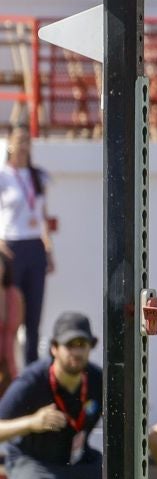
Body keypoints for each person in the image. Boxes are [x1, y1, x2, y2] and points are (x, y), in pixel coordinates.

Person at [0, 313, 102, 479]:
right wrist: (31, 423)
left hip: (77, 461)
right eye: (70, 345)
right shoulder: (31, 382)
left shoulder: (99, 379)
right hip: (32, 460)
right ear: (54, 348)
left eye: (83, 344)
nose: (77, 352)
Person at [0, 126, 54, 372]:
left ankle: (31, 371)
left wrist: (48, 249)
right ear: (9, 143)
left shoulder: (38, 176)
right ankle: (8, 370)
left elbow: (42, 216)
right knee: (10, 316)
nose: (23, 145)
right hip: (11, 249)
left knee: (33, 318)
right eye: (19, 140)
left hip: (34, 247)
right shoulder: (3, 176)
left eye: (27, 141)